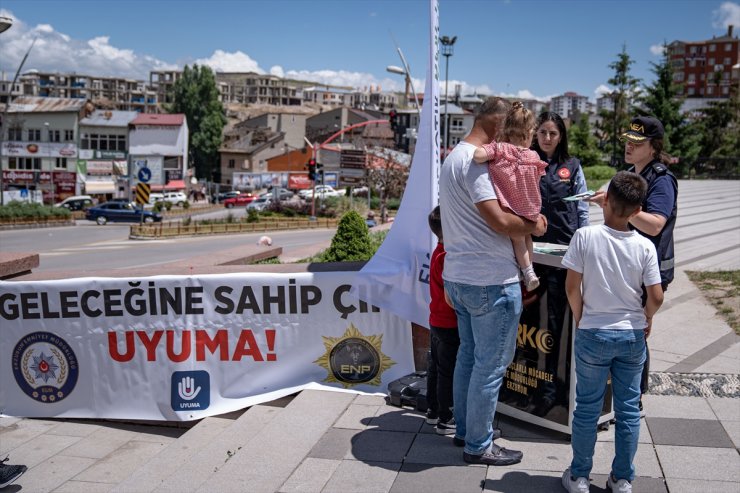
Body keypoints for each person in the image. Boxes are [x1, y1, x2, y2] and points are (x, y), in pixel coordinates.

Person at [439, 96, 547, 466]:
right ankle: (479, 445)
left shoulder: (453, 157)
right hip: (490, 280)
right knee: (490, 366)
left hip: (459, 276)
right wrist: (536, 225)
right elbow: (500, 221)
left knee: (468, 358)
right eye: (509, 128)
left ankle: (467, 430)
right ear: (497, 124)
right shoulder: (476, 163)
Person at [560, 171, 664, 493]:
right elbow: (657, 296)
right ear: (637, 211)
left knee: (587, 407)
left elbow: (572, 286)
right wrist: (646, 317)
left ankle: (579, 475)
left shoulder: (585, 237)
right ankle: (622, 479)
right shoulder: (645, 246)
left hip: (593, 331)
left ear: (605, 201)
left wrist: (580, 316)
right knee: (628, 409)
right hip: (632, 335)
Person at [589, 116, 677, 412]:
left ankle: (633, 399)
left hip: (649, 272)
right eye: (628, 140)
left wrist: (620, 206)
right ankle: (620, 396)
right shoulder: (630, 173)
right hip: (627, 267)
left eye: (637, 142)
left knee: (637, 333)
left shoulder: (661, 179)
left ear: (653, 147)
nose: (629, 145)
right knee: (626, 331)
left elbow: (655, 225)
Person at [530, 111, 590, 417]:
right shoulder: (528, 162)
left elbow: (582, 208)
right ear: (536, 134)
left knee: (560, 324)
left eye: (553, 133)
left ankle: (560, 389)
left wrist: (583, 244)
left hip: (564, 255)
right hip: (530, 254)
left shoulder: (573, 166)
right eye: (543, 133)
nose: (548, 138)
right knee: (532, 323)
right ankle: (534, 385)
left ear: (561, 135)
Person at [472, 102, 548, 291]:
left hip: (510, 208)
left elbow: (477, 155)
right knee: (526, 237)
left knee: (518, 239)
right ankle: (529, 270)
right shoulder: (533, 156)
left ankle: (527, 271)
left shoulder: (500, 149)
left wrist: (490, 150)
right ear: (529, 132)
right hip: (530, 208)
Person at [424, 205, 460, 435]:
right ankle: (447, 418)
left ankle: (433, 410)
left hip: (436, 320)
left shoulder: (438, 251)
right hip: (449, 322)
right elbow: (452, 294)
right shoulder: (448, 256)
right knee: (447, 371)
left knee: (435, 368)